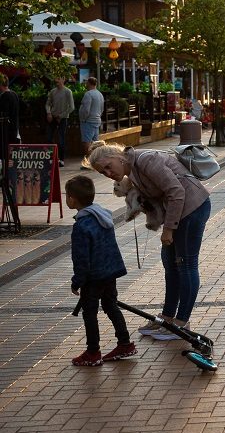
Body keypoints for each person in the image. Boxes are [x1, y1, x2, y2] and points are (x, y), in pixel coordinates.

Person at [86, 141, 211, 340]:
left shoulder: (146, 160)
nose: (108, 173)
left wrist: (168, 230)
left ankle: (182, 323)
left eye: (108, 167)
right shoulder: (132, 169)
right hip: (179, 212)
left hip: (192, 208)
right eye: (103, 173)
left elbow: (176, 192)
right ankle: (167, 317)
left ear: (119, 157)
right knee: (170, 264)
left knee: (185, 265)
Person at [66, 175, 136, 366]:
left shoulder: (81, 225)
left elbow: (81, 258)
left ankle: (93, 352)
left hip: (93, 276)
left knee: (89, 312)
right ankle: (124, 343)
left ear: (72, 199)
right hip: (110, 271)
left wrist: (77, 281)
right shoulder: (103, 217)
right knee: (111, 305)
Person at [46, 77, 74, 167]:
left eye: (58, 79)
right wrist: (49, 113)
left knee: (61, 139)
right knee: (49, 138)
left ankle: (61, 159)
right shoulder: (52, 91)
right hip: (53, 117)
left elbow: (71, 107)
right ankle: (52, 158)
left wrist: (61, 116)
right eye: (56, 79)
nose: (56, 81)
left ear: (63, 79)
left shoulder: (68, 91)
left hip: (63, 118)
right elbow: (47, 104)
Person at [79, 77, 104, 159]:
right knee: (95, 142)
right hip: (97, 120)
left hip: (88, 120)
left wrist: (83, 118)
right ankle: (96, 160)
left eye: (86, 82)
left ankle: (89, 161)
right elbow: (102, 108)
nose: (86, 84)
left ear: (89, 83)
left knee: (87, 141)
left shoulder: (88, 94)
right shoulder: (100, 94)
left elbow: (86, 109)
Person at [0, 74, 21, 168]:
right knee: (13, 154)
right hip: (15, 129)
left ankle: (7, 175)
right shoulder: (14, 94)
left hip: (6, 131)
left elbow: (4, 114)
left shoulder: (5, 97)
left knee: (6, 155)